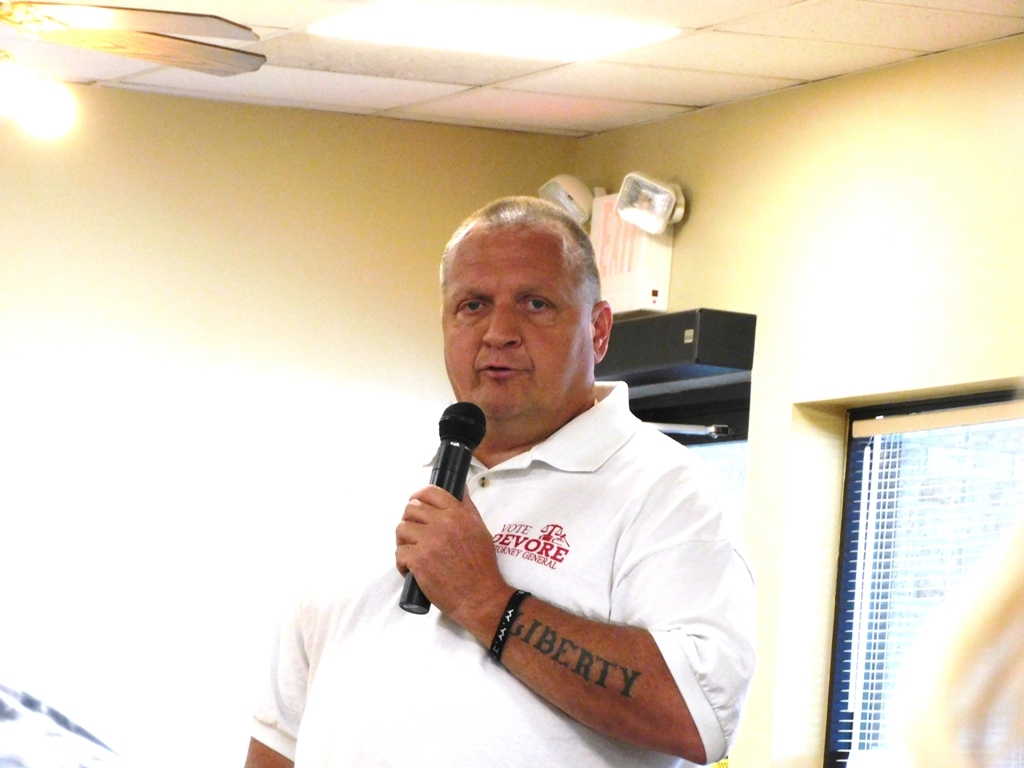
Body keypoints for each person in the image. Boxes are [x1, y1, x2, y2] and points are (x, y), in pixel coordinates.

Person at [244, 197, 756, 768]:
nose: (499, 333)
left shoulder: (665, 490)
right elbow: (279, 738)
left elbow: (697, 716)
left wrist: (485, 600)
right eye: (473, 306)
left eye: (535, 304)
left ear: (598, 330)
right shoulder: (367, 490)